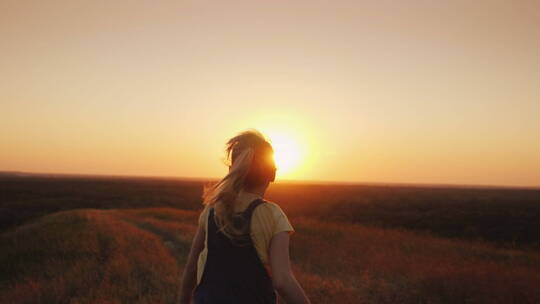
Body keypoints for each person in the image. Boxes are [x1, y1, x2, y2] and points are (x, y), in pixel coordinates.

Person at [178, 129, 311, 304]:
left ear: (233, 170)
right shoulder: (273, 215)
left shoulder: (212, 211)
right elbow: (282, 281)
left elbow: (191, 268)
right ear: (272, 173)